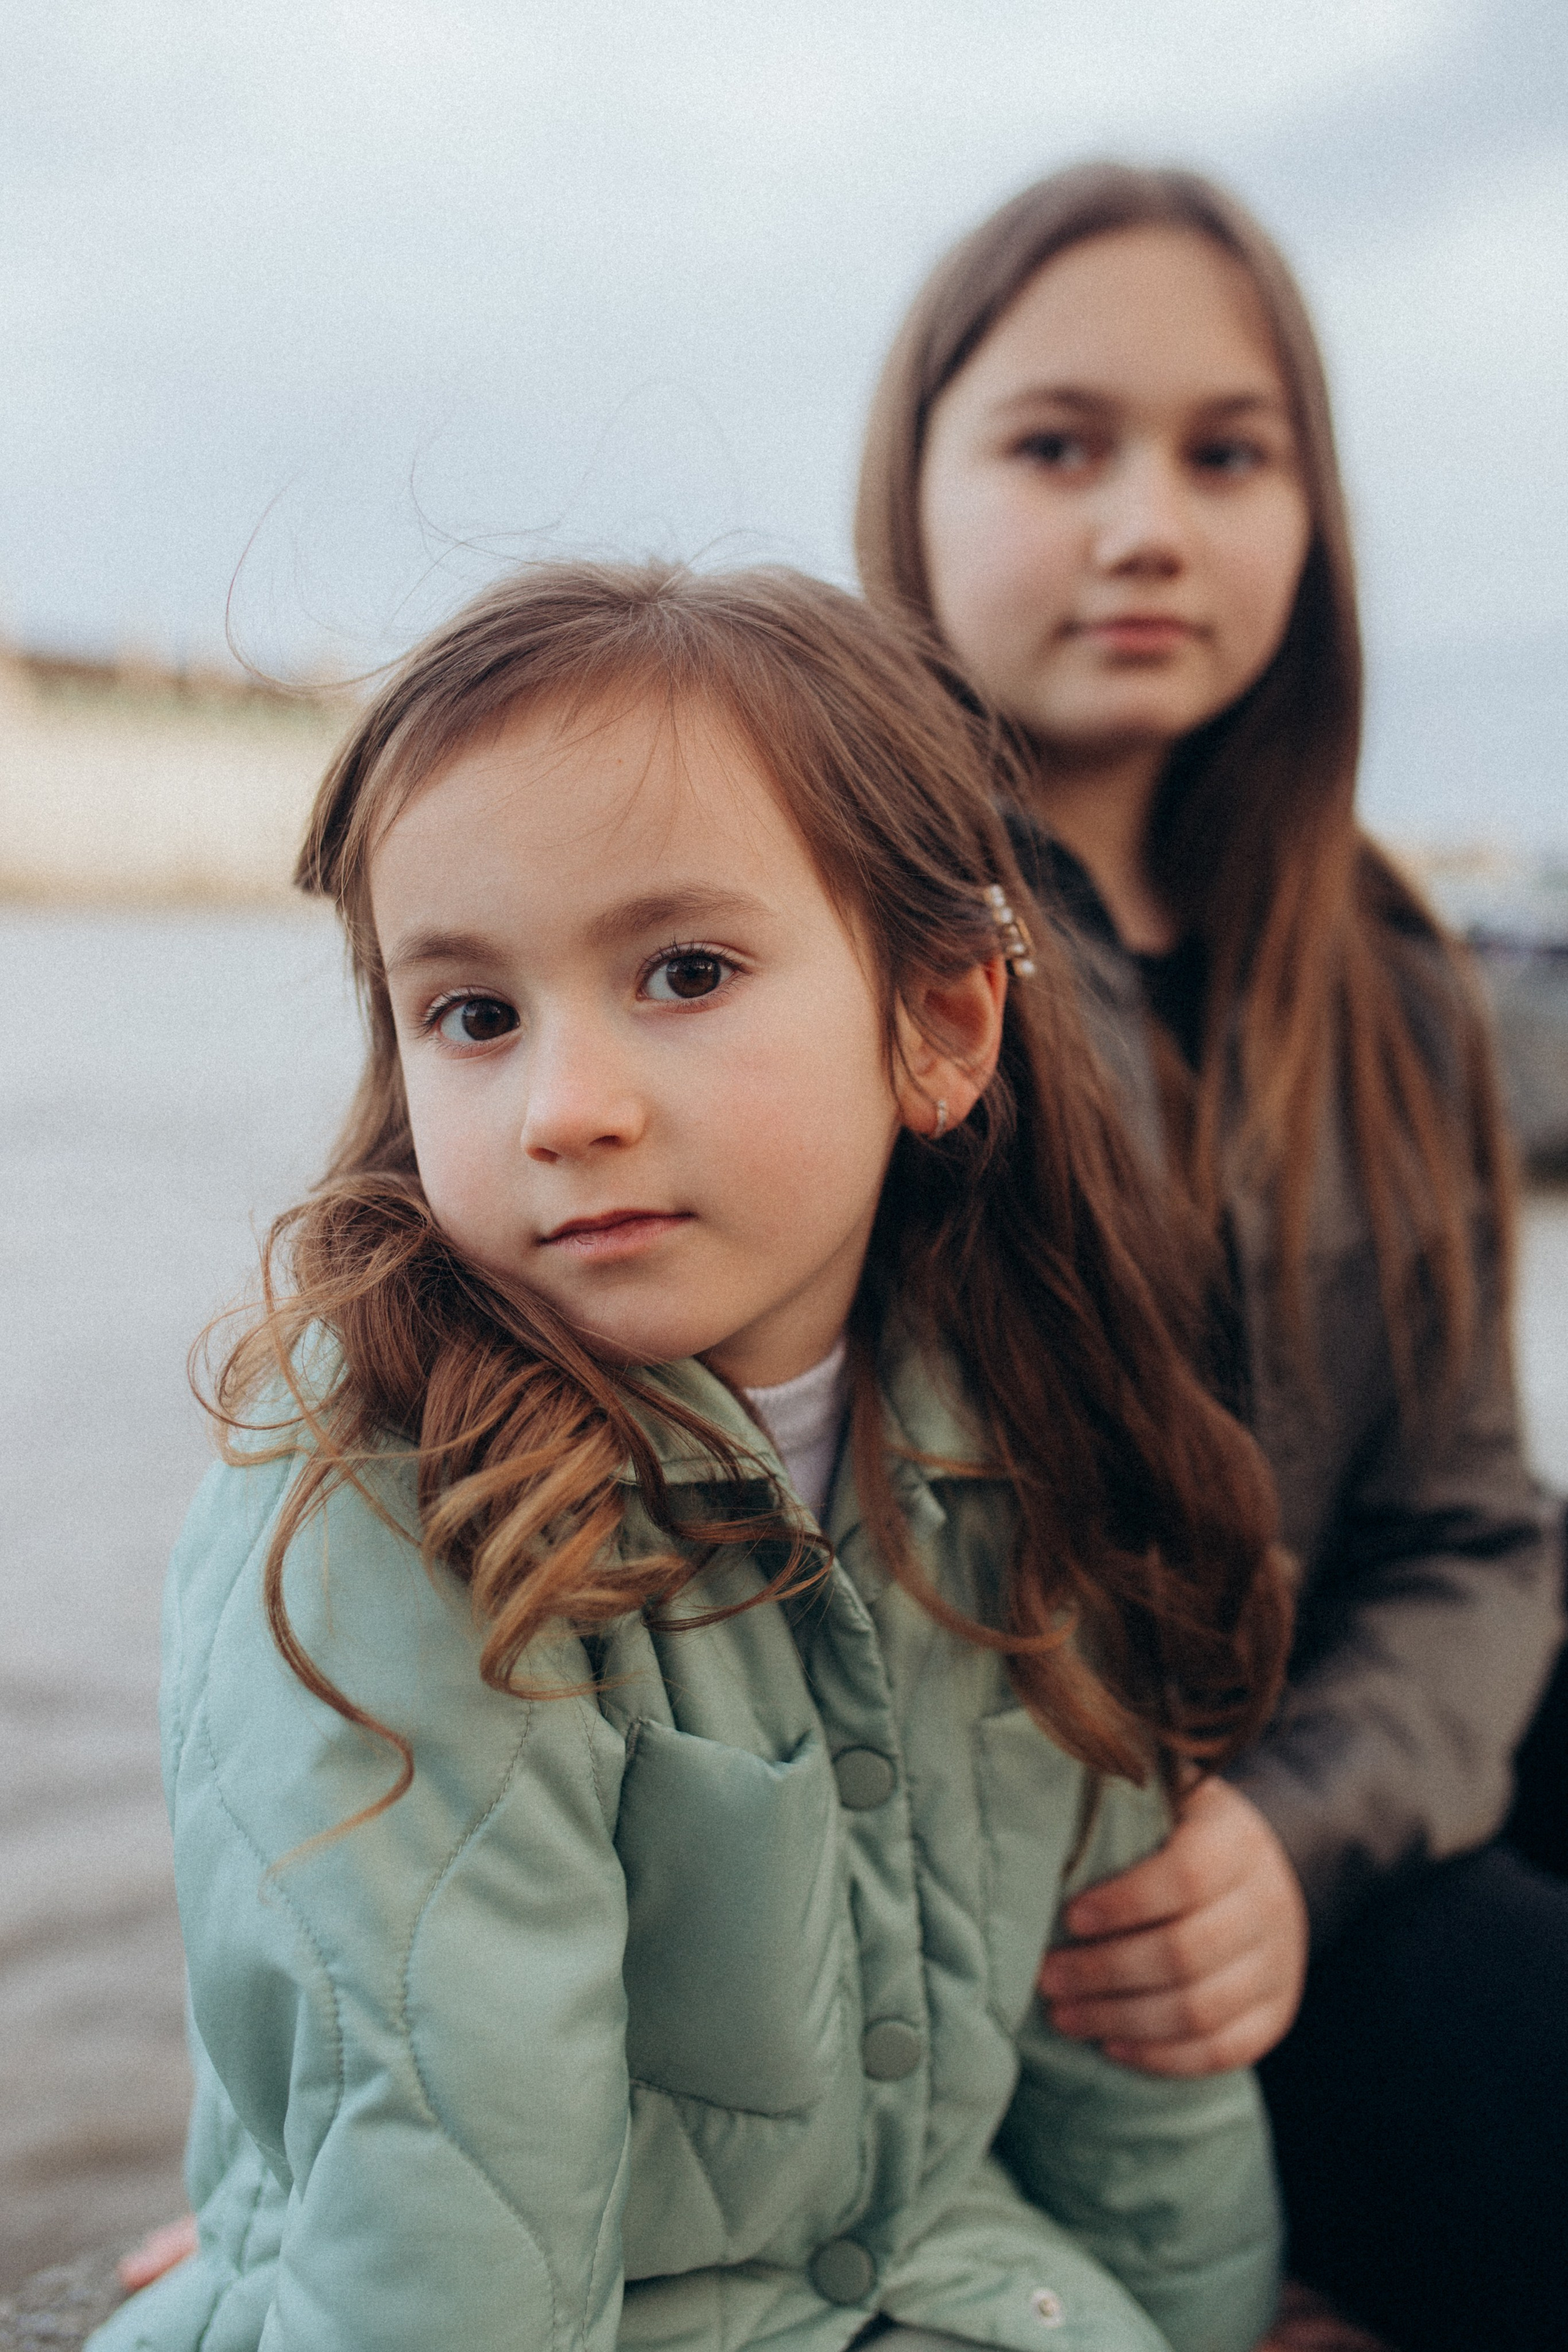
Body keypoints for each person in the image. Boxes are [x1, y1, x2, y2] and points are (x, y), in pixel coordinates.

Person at [91, 563, 1297, 2352]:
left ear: (940, 1025)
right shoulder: (390, 1512)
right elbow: (450, 2229)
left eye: (684, 972)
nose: (565, 1105)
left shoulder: (1033, 1434)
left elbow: (1130, 2073)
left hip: (938, 2286)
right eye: (474, 1014)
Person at [855, 163, 1568, 2352]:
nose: (1148, 522)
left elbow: (1469, 1531)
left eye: (1227, 453)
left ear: (1309, 515)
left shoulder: (1394, 978)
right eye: (1060, 444)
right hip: (1043, 1923)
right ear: (918, 481)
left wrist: (1298, 1829)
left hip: (1317, 1824)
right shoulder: (819, 941)